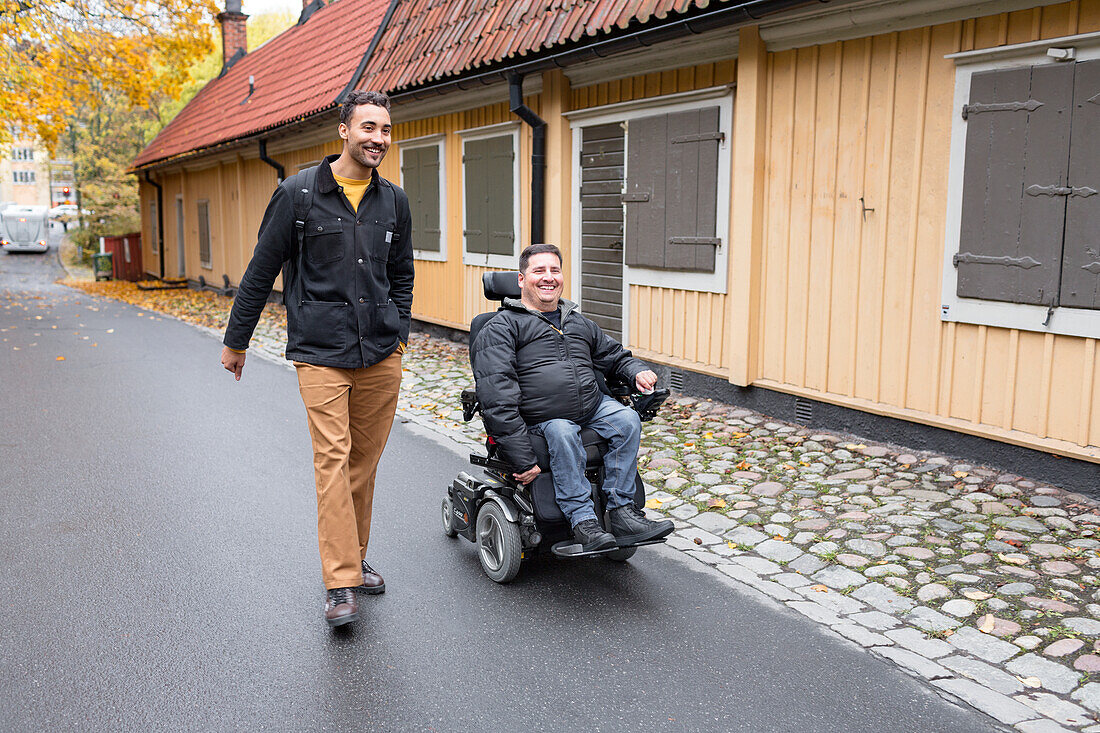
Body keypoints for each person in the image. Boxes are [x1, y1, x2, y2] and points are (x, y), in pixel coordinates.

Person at [219, 90, 413, 627]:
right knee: (332, 462)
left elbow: (402, 273)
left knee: (363, 465)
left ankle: (353, 558)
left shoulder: (393, 201)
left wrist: (399, 330)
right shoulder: (298, 194)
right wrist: (238, 341)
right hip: (320, 354)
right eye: (368, 128)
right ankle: (340, 582)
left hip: (379, 350)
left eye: (386, 130)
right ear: (344, 132)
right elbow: (261, 270)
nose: (378, 139)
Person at [472, 244, 673, 552]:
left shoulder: (576, 322)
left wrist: (636, 372)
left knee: (627, 419)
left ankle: (621, 511)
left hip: (591, 408)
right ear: (521, 280)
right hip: (540, 419)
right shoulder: (501, 328)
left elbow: (614, 355)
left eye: (555, 270)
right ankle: (583, 522)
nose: (548, 278)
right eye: (539, 271)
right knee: (563, 431)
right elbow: (497, 398)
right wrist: (522, 459)